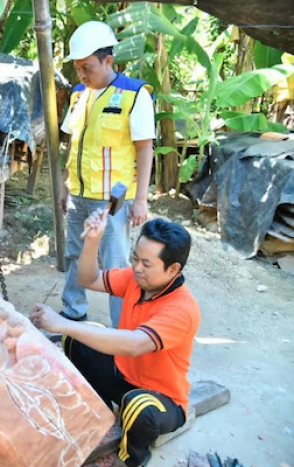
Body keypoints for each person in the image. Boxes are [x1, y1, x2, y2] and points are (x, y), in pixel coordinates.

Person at [31, 213, 200, 467]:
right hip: (123, 377)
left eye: (146, 263)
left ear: (173, 269)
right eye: (135, 258)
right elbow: (88, 279)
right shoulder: (136, 279)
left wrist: (63, 322)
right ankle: (101, 412)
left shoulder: (182, 309)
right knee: (75, 341)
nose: (137, 267)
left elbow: (135, 344)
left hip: (160, 399)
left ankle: (132, 458)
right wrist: (92, 241)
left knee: (138, 405)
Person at [60, 21, 155, 327]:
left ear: (108, 61)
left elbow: (144, 148)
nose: (82, 74)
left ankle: (121, 327)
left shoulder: (134, 94)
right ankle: (73, 311)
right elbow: (73, 144)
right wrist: (65, 187)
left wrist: (141, 200)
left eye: (87, 67)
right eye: (78, 68)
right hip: (78, 194)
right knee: (76, 255)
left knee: (115, 264)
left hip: (113, 200)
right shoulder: (78, 94)